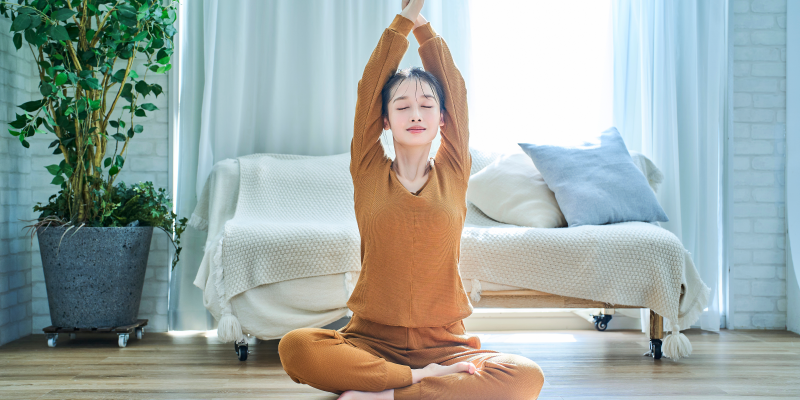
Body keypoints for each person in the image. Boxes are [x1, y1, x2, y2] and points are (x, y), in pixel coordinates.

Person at [278, 1, 545, 399]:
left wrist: (424, 29)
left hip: (444, 344)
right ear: (385, 119)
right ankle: (416, 383)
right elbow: (370, 86)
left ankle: (381, 392)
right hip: (369, 342)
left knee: (525, 376)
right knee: (296, 347)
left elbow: (455, 90)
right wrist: (403, 21)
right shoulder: (368, 169)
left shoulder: (454, 169)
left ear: (443, 119)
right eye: (402, 106)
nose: (415, 114)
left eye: (427, 106)